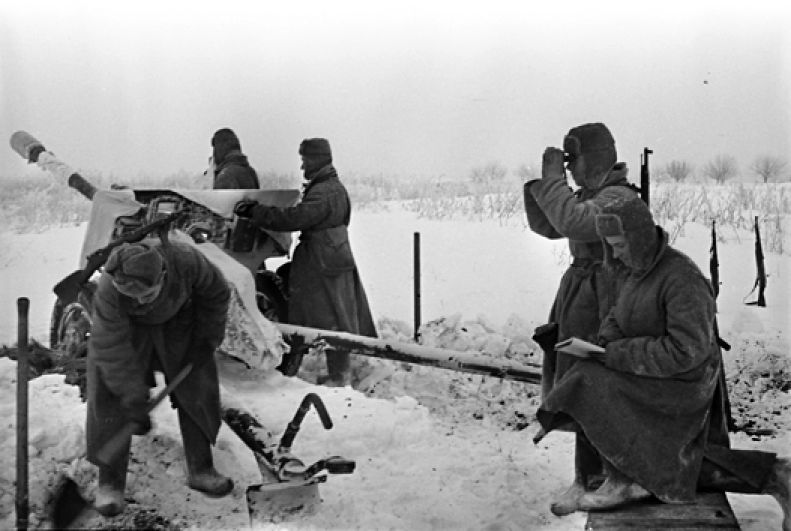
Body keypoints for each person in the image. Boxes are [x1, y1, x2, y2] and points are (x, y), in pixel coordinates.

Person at [536, 196, 791, 529]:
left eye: (619, 245)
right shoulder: (638, 271)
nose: (614, 254)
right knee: (589, 376)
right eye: (609, 246)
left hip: (684, 385)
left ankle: (623, 477)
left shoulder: (681, 278)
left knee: (598, 390)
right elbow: (620, 315)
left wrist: (616, 354)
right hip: (655, 375)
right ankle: (604, 476)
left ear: (639, 238)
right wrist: (603, 341)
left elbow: (687, 352)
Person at [524, 122, 639, 514]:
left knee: (603, 386)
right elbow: (549, 225)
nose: (571, 170)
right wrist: (548, 181)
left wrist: (555, 180)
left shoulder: (619, 198)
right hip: (584, 294)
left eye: (575, 161)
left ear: (594, 159)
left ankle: (617, 477)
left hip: (610, 300)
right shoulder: (592, 195)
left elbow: (572, 222)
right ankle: (586, 476)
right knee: (579, 384)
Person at [86, 239, 233, 517]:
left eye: (146, 293)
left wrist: (207, 338)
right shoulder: (109, 291)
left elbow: (217, 294)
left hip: (179, 321)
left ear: (163, 276)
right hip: (129, 331)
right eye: (131, 296)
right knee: (108, 391)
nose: (139, 300)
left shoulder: (187, 261)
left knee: (198, 385)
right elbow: (111, 348)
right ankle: (110, 482)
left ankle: (201, 467)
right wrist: (132, 398)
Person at [233, 138, 377, 386]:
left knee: (331, 319)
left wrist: (255, 212)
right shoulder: (330, 187)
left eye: (305, 160)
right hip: (329, 258)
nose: (303, 167)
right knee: (336, 316)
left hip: (323, 262)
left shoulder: (324, 191)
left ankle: (337, 377)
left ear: (317, 159)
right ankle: (337, 374)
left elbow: (296, 218)